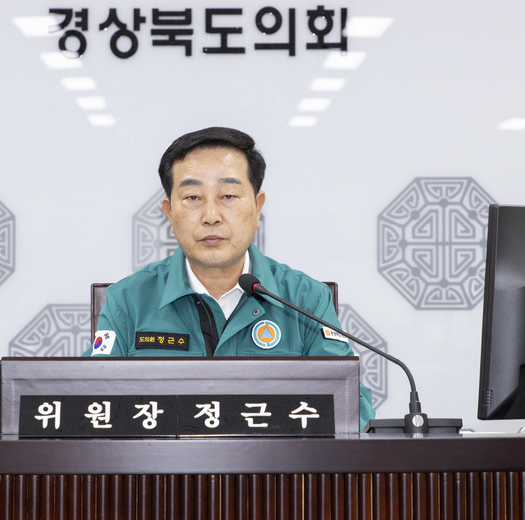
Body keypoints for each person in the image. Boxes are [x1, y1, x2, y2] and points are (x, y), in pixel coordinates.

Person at [84, 127, 375, 430]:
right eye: (193, 197)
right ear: (169, 213)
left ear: (258, 207)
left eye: (228, 196)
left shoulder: (305, 299)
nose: (211, 215)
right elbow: (89, 403)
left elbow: (353, 409)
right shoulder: (127, 300)